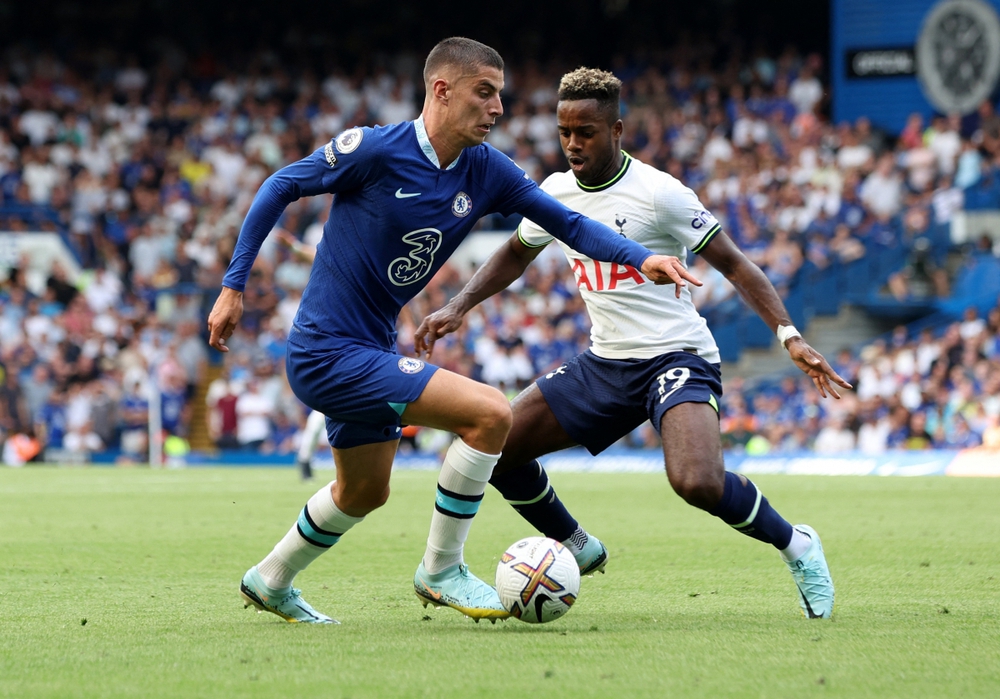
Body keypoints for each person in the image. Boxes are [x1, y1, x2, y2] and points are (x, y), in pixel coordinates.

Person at [207, 39, 696, 625]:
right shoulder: (374, 149)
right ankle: (440, 569)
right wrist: (234, 284)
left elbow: (567, 223)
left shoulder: (487, 171)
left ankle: (270, 579)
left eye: (500, 96)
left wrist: (642, 257)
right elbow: (280, 185)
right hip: (326, 353)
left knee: (363, 492)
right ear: (442, 90)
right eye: (484, 92)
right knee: (491, 413)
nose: (497, 108)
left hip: (371, 348)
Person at [415, 68, 852, 619]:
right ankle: (578, 545)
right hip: (606, 364)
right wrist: (458, 305)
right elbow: (515, 253)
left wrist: (790, 337)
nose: (573, 143)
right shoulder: (556, 191)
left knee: (696, 481)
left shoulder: (660, 194)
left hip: (677, 356)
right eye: (564, 131)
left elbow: (737, 265)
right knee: (492, 451)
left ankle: (799, 546)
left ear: (616, 129)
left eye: (587, 132)